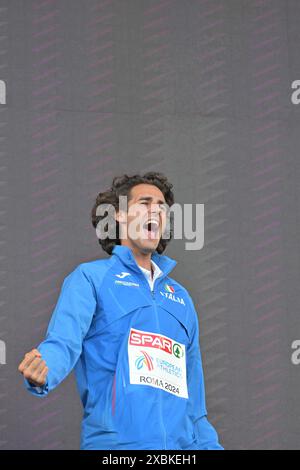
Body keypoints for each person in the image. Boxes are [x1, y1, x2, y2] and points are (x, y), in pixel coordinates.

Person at [18, 171, 223, 450]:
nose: (156, 211)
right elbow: (63, 343)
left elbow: (195, 403)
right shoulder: (91, 278)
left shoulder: (182, 298)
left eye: (161, 207)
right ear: (119, 216)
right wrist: (44, 369)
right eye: (145, 203)